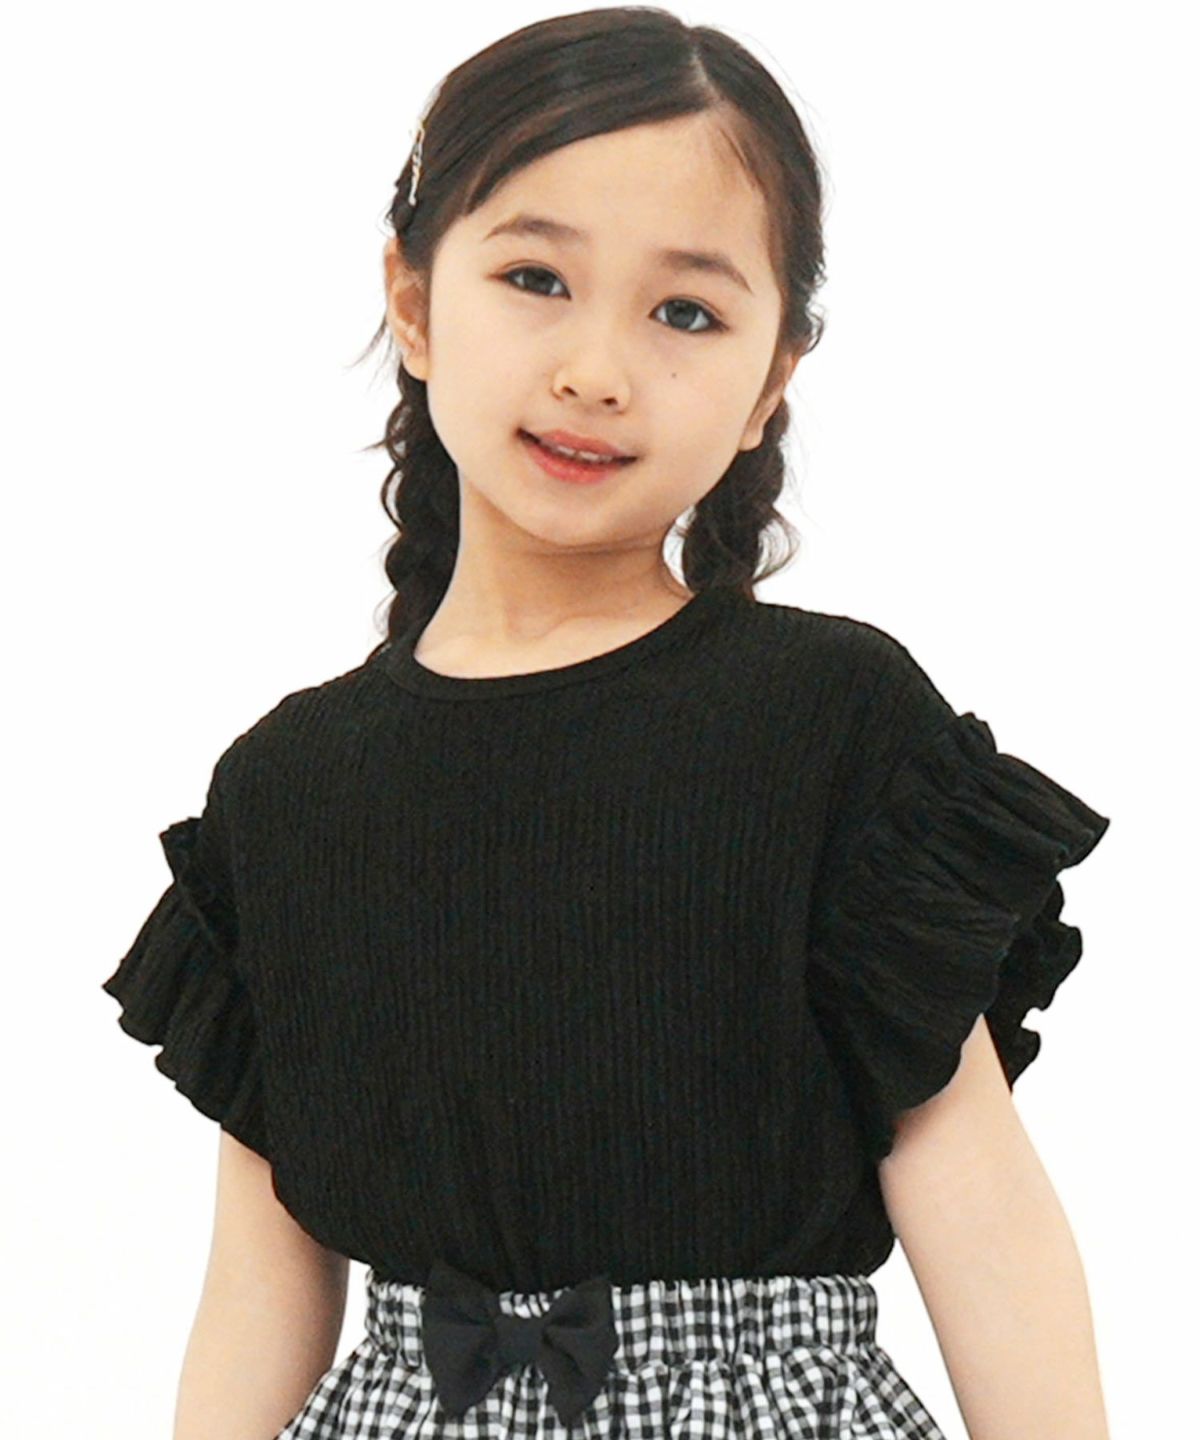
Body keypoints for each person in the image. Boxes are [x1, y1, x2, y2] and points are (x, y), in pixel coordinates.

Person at [100, 8, 1114, 1439]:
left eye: (685, 312)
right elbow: (261, 1290)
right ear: (413, 302)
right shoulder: (287, 790)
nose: (597, 368)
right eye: (535, 277)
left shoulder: (828, 721)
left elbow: (984, 1215)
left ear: (771, 384)